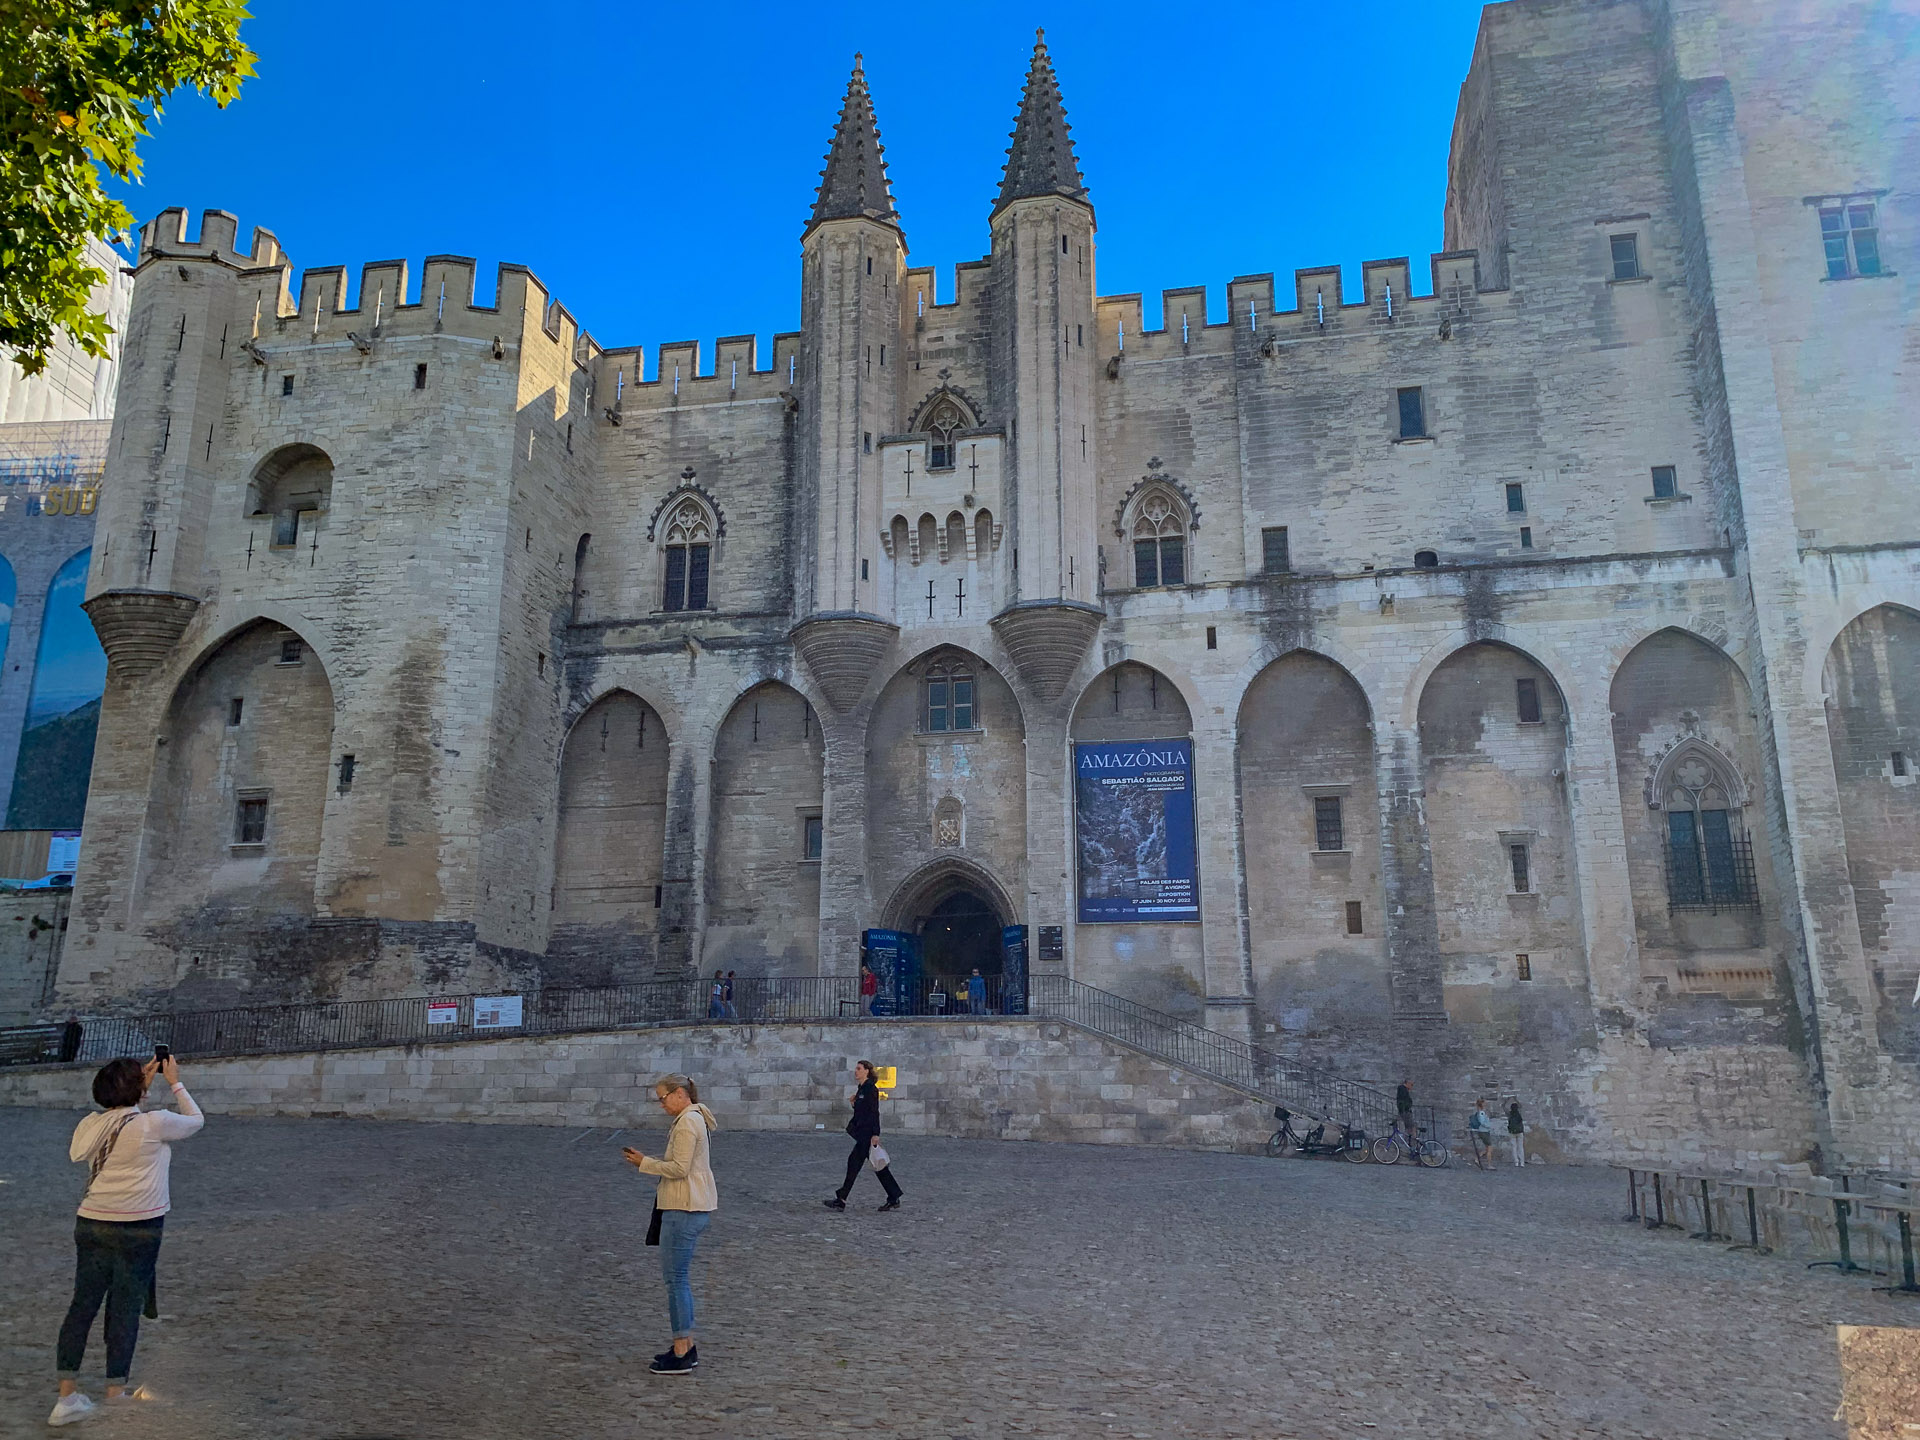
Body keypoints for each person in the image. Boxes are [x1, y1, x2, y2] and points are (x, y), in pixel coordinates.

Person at [49, 1053, 203, 1427]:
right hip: (140, 1226)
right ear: (139, 1090)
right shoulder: (155, 1123)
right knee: (125, 1308)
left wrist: (138, 1087)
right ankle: (115, 1394)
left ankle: (66, 1397)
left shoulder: (89, 1125)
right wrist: (174, 1082)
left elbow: (120, 1119)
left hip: (92, 1222)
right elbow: (196, 1120)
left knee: (82, 1306)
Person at [622, 1074, 718, 1376]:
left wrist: (644, 1163)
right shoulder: (694, 1118)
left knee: (676, 1280)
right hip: (688, 1205)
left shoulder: (688, 1122)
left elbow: (679, 1168)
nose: (661, 1104)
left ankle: (681, 1351)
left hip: (683, 1206)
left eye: (663, 1098)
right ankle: (686, 1344)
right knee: (678, 1279)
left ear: (679, 1094)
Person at [822, 1060, 902, 1213]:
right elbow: (862, 1111)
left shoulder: (871, 1089)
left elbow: (874, 1112)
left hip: (867, 1134)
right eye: (856, 1068)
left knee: (858, 1163)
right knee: (875, 1166)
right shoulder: (862, 1088)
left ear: (867, 1071)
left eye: (859, 1068)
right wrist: (854, 1104)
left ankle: (842, 1199)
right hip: (862, 1133)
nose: (856, 1071)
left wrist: (876, 1133)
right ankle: (893, 1196)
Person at [1467, 1098, 1493, 1170]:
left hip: (1484, 1131)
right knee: (1489, 1148)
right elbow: (1482, 1122)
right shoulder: (1481, 1113)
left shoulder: (1481, 1112)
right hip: (1484, 1131)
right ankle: (1489, 1165)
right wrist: (1489, 1126)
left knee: (1487, 1149)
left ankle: (1477, 1158)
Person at [1507, 1100, 1526, 1167]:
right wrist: (1516, 1099)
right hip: (1520, 1131)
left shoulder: (1509, 1114)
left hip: (1512, 1132)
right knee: (1520, 1147)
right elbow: (1521, 1106)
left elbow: (1503, 1106)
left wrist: (1506, 1100)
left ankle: (1516, 1162)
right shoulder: (1519, 1113)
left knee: (1514, 1147)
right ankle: (1522, 1162)